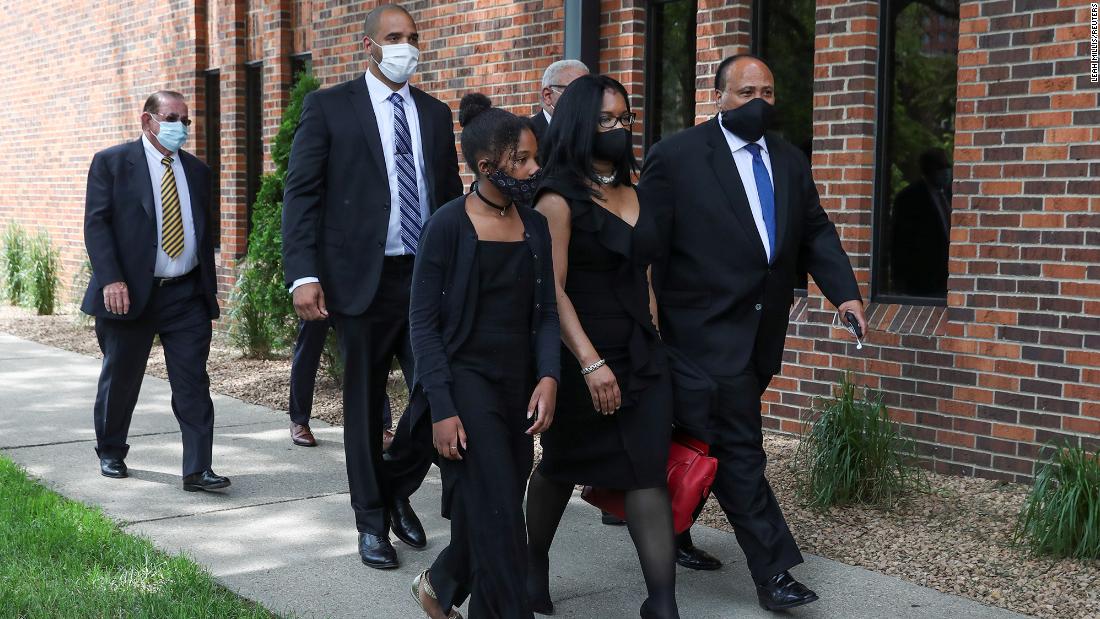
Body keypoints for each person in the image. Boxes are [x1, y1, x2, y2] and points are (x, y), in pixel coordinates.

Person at [639, 54, 868, 611]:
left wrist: (846, 293)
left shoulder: (789, 159)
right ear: (718, 96)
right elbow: (646, 249)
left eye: (766, 91)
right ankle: (774, 574)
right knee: (739, 449)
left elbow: (815, 231)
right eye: (745, 92)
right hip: (696, 333)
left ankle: (671, 530)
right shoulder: (678, 157)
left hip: (760, 335)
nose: (757, 101)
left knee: (704, 441)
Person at [281, 3, 463, 569]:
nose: (405, 46)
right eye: (393, 37)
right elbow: (302, 194)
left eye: (412, 37)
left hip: (426, 278)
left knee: (439, 388)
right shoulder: (329, 107)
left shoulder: (434, 113)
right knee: (364, 407)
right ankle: (369, 522)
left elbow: (450, 197)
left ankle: (393, 489)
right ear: (370, 47)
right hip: (360, 281)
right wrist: (303, 274)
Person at [525, 75, 679, 619]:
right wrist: (590, 364)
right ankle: (532, 563)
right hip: (580, 351)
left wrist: (654, 334)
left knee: (646, 471)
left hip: (641, 352)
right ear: (578, 125)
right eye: (607, 120)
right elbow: (552, 292)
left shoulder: (636, 191)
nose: (620, 128)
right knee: (562, 465)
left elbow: (646, 274)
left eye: (626, 118)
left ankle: (662, 603)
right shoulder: (556, 198)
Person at [409, 93, 559, 619]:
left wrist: (548, 376)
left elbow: (545, 314)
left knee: (493, 506)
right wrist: (443, 408)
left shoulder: (535, 226)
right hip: (466, 384)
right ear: (486, 167)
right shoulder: (448, 226)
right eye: (523, 160)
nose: (535, 169)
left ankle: (441, 582)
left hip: (518, 385)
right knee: (502, 521)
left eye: (534, 158)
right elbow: (423, 325)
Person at [82, 90, 229, 493]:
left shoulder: (198, 172)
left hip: (185, 296)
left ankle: (198, 468)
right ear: (147, 120)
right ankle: (111, 450)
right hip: (129, 294)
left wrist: (207, 289)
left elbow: (201, 234)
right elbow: (97, 225)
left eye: (186, 120)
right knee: (122, 377)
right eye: (172, 118)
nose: (180, 127)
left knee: (193, 381)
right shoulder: (113, 163)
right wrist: (111, 278)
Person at [286, 317, 395, 449]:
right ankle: (299, 421)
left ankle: (378, 426)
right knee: (307, 352)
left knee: (362, 353)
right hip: (318, 298)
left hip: (351, 298)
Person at [889, 148, 951, 297]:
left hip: (946, 278)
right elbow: (899, 242)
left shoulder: (949, 194)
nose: (946, 171)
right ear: (929, 169)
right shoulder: (909, 198)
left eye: (947, 166)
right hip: (921, 281)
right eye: (941, 167)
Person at [530, 59, 589, 143]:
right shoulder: (526, 135)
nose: (585, 98)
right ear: (548, 96)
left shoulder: (593, 133)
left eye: (589, 92)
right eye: (576, 90)